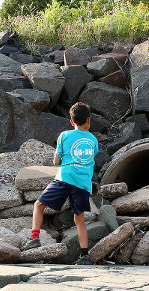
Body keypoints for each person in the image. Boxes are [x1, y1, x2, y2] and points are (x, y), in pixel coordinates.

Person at [22, 102, 98, 265]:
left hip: (65, 178)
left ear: (71, 122)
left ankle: (34, 238)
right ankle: (85, 256)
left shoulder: (64, 136)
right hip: (83, 183)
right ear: (88, 121)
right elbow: (91, 158)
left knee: (38, 205)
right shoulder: (93, 140)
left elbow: (56, 161)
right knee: (80, 220)